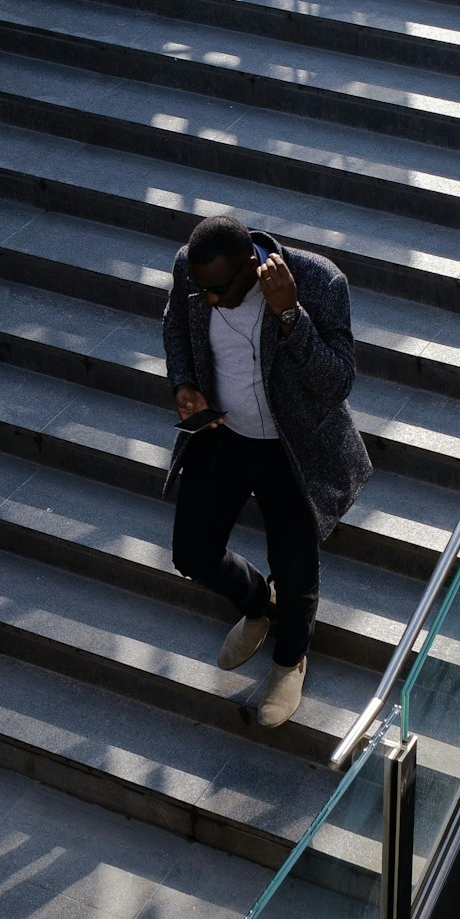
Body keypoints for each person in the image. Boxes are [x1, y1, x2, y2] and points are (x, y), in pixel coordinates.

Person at [162, 215, 371, 728]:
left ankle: (289, 657)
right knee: (192, 552)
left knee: (296, 566)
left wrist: (290, 316)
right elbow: (174, 324)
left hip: (292, 447)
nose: (209, 299)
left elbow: (338, 381)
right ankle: (259, 603)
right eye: (202, 289)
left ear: (252, 265)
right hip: (223, 436)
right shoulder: (191, 270)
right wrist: (184, 382)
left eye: (219, 289)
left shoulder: (319, 281)